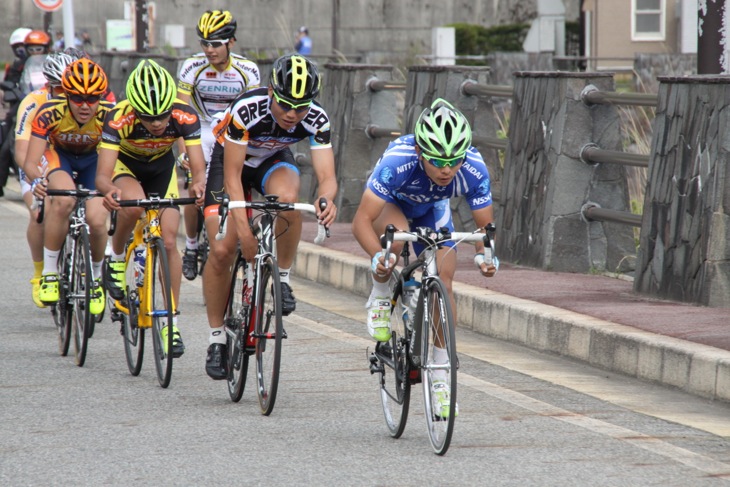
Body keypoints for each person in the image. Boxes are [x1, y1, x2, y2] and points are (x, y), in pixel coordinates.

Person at [351, 98, 498, 417]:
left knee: (445, 278)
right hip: (395, 206)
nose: (446, 169)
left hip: (433, 211)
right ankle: (379, 296)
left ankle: (442, 375)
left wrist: (486, 257)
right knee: (394, 243)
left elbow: (484, 229)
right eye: (436, 160)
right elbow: (361, 221)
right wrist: (377, 256)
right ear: (420, 153)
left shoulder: (473, 168)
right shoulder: (398, 161)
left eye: (453, 160)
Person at [201, 54, 337, 380]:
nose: (293, 114)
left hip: (271, 159)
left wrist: (326, 200)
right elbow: (233, 178)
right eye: (286, 105)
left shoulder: (316, 118)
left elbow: (327, 177)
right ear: (272, 94)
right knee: (222, 249)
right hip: (232, 162)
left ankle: (284, 281)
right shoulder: (247, 109)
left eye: (301, 107)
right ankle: (217, 338)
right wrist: (244, 233)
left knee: (289, 200)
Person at [96, 59, 206, 358]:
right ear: (135, 110)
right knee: (131, 208)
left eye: (161, 116)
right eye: (147, 117)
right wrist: (109, 191)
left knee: (169, 241)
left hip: (161, 169)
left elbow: (197, 167)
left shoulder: (184, 115)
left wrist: (197, 185)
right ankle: (116, 259)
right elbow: (103, 176)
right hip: (126, 166)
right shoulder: (117, 118)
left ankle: (170, 322)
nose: (156, 123)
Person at [24, 58, 114, 316]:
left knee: (97, 220)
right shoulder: (49, 113)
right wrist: (37, 180)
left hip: (93, 160)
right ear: (66, 94)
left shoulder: (110, 116)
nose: (85, 106)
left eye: (92, 98)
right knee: (63, 200)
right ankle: (50, 273)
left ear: (101, 96)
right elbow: (31, 161)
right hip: (59, 156)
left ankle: (96, 279)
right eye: (77, 98)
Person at [177, 9, 260, 281]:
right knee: (194, 187)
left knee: (239, 179)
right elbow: (181, 112)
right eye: (204, 43)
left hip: (233, 130)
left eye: (215, 43)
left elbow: (253, 115)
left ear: (231, 42)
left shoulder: (247, 71)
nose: (209, 50)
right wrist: (183, 152)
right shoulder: (192, 67)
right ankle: (191, 246)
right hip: (200, 128)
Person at [14, 51, 76, 307]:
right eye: (60, 88)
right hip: (35, 158)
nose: (67, 94)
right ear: (49, 84)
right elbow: (21, 152)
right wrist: (37, 180)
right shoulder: (33, 102)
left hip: (66, 157)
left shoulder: (80, 101)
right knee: (38, 212)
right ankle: (40, 273)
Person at [19, 30, 52, 95]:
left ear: (46, 49)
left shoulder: (52, 64)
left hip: (50, 96)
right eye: (31, 49)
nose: (35, 52)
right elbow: (25, 85)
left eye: (38, 49)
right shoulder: (26, 66)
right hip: (32, 97)